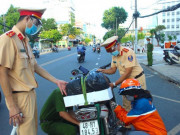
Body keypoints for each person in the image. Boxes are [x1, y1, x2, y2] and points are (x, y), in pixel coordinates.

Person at [0, 8, 67, 135]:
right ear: (27, 19)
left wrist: (56, 81)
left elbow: (36, 67)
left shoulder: (24, 40)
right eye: (36, 24)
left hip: (30, 95)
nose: (37, 28)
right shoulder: (8, 39)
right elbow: (2, 72)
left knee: (32, 131)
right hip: (20, 97)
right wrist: (12, 106)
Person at [98, 36, 146, 130]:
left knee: (140, 103)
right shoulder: (114, 55)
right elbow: (113, 70)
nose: (111, 52)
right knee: (126, 104)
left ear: (117, 45)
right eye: (109, 51)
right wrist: (102, 71)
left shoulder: (128, 52)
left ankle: (142, 126)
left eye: (111, 49)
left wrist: (114, 84)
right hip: (126, 82)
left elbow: (128, 72)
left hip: (137, 80)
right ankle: (127, 125)